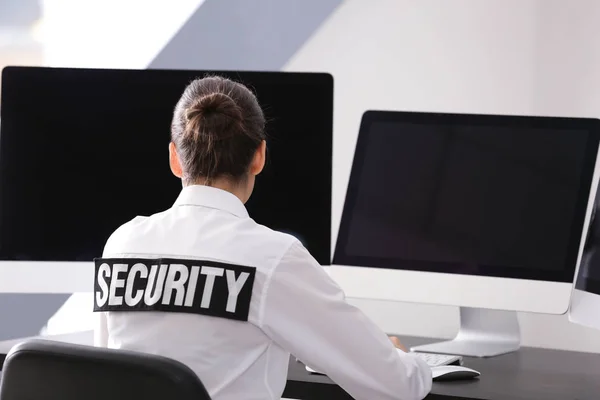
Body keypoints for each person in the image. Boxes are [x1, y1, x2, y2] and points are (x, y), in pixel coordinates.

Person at [93, 75, 432, 400]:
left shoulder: (121, 244)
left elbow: (104, 373)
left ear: (175, 159)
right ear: (259, 156)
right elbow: (398, 387)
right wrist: (407, 361)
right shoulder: (273, 258)